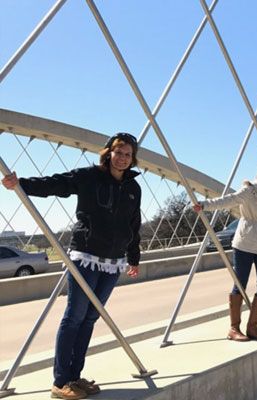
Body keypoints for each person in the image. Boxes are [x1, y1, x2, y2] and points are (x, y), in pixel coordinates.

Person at [2, 133, 141, 400]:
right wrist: (20, 184)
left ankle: (76, 377)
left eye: (128, 154)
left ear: (133, 158)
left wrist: (133, 257)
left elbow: (133, 225)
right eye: (118, 152)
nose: (122, 158)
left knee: (90, 318)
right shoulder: (89, 177)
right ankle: (60, 381)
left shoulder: (133, 188)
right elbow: (57, 184)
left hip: (113, 262)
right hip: (86, 256)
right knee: (74, 317)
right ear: (108, 153)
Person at [193, 157, 257, 341]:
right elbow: (228, 200)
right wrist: (204, 205)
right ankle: (234, 328)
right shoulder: (249, 191)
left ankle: (253, 327)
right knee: (240, 284)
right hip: (245, 244)